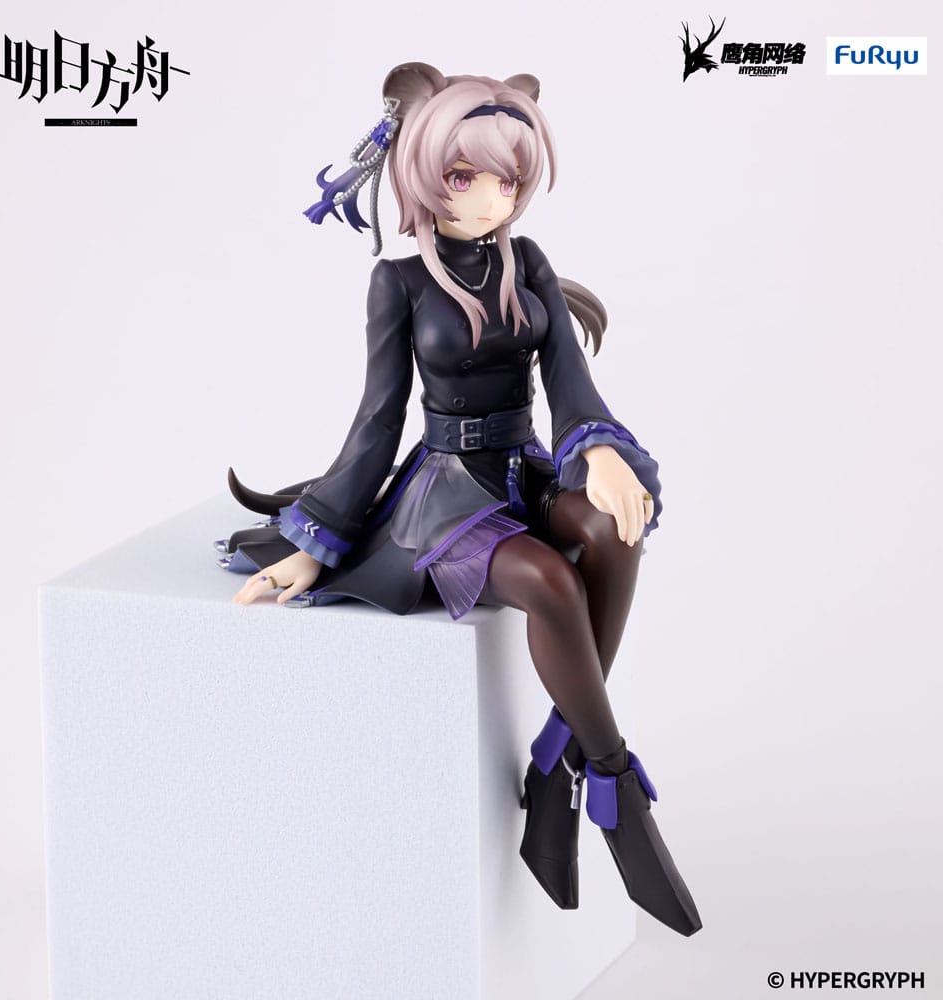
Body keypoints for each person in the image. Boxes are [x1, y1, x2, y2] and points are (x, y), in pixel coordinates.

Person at [218, 62, 701, 936]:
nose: (489, 198)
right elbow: (378, 417)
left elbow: (570, 379)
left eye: (507, 180)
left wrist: (601, 453)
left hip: (524, 469)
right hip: (447, 491)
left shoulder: (530, 264)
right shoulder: (400, 282)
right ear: (423, 171)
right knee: (550, 581)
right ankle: (614, 786)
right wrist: (316, 543)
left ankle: (555, 762)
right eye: (466, 175)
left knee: (613, 527)